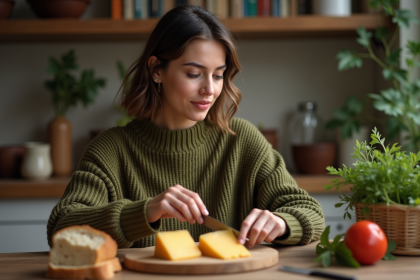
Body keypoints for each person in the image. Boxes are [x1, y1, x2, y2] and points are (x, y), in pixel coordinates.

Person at [47, 5, 325, 250]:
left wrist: (280, 222)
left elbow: (310, 212)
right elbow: (61, 227)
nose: (210, 89)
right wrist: (145, 211)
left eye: (218, 75)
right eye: (194, 74)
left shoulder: (242, 140)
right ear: (157, 70)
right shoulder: (110, 149)